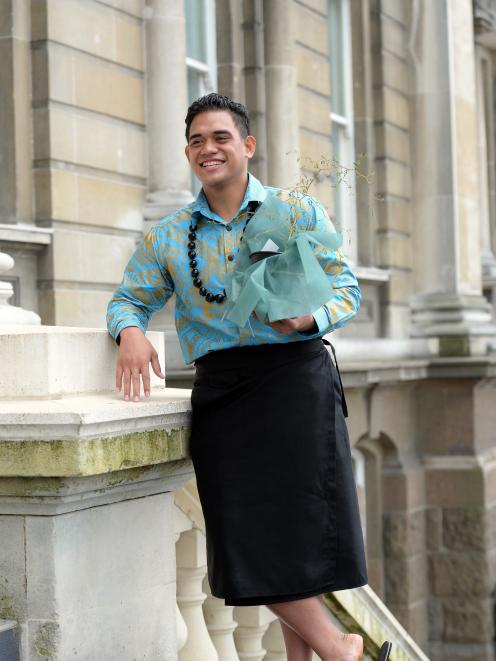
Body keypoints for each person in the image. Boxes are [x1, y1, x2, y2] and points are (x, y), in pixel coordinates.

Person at [107, 93, 383, 661]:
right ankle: (341, 648)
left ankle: (321, 654)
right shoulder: (167, 236)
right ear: (188, 153)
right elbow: (127, 300)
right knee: (245, 539)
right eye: (196, 141)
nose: (208, 149)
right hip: (223, 396)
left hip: (296, 384)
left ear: (247, 146)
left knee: (299, 541)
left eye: (220, 137)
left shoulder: (295, 211)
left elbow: (347, 289)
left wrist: (309, 316)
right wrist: (129, 332)